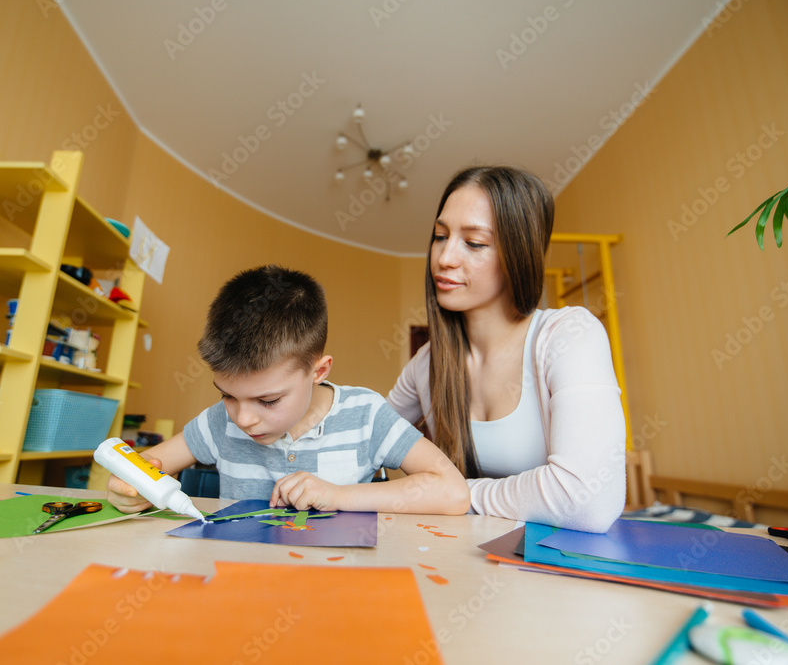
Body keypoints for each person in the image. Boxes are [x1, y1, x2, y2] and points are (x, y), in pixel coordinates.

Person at [107, 265, 470, 516]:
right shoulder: (219, 422)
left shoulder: (366, 415)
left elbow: (453, 493)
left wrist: (338, 495)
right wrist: (130, 488)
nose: (244, 419)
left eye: (268, 400)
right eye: (227, 395)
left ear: (318, 371)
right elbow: (142, 468)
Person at [387, 166, 626, 533]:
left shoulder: (568, 335)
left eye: (474, 243)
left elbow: (588, 501)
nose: (444, 257)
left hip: (555, 565)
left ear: (518, 253)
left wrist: (452, 494)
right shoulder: (426, 363)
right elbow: (366, 434)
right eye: (440, 236)